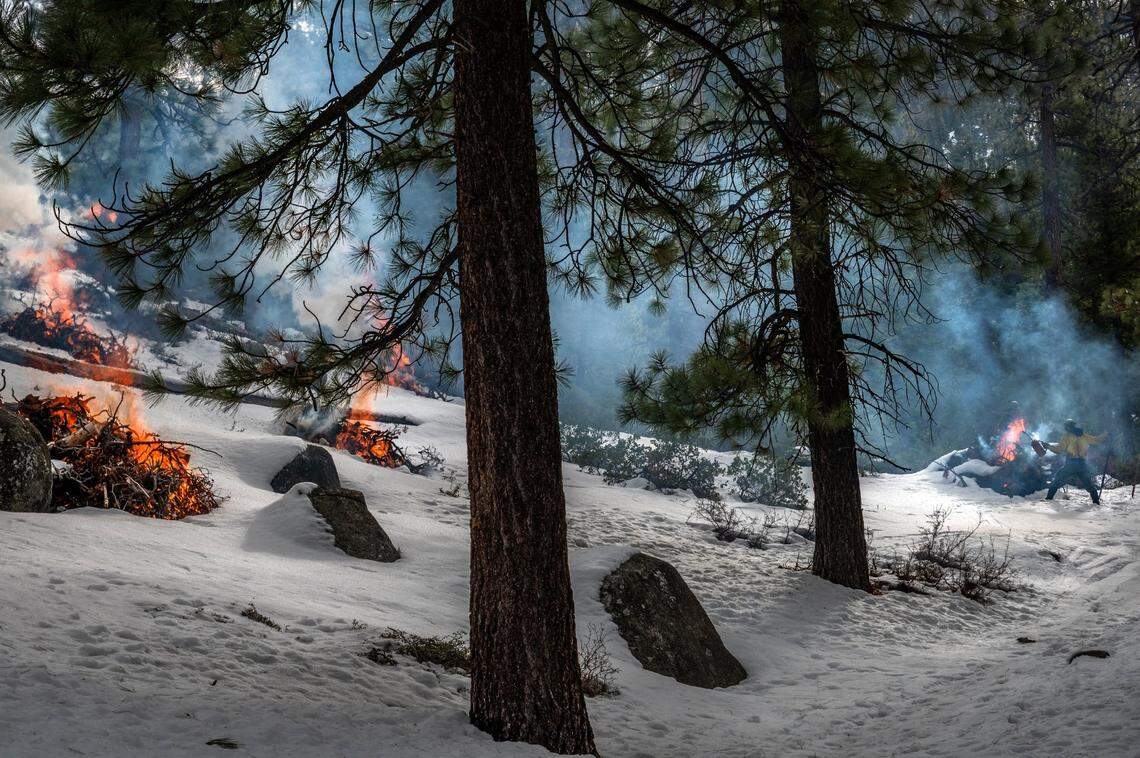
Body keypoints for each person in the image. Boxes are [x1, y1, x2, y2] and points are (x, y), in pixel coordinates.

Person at [1044, 419, 1108, 504]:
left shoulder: (1067, 436)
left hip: (1071, 464)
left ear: (1067, 427)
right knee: (1089, 485)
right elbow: (1096, 440)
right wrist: (1106, 434)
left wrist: (1048, 446)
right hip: (1082, 464)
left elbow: (1059, 449)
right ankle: (1096, 502)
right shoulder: (1083, 436)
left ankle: (1048, 499)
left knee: (1057, 480)